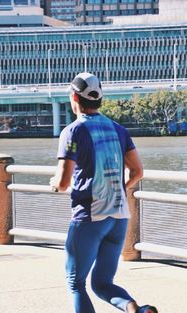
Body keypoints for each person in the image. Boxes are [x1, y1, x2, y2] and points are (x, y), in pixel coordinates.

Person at [50, 72, 158, 313]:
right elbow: (137, 171)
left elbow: (64, 181)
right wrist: (119, 189)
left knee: (76, 283)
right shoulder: (118, 129)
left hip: (89, 218)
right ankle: (137, 311)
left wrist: (54, 184)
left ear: (74, 98)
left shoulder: (73, 131)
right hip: (118, 217)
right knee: (102, 283)